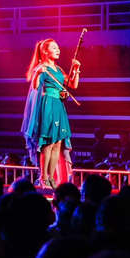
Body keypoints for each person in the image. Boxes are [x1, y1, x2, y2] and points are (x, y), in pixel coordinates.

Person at [21, 38, 81, 189]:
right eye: (54, 48)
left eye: (58, 47)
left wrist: (75, 69)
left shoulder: (58, 69)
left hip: (59, 106)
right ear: (45, 52)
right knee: (47, 144)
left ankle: (51, 177)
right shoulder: (42, 68)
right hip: (48, 105)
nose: (58, 50)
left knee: (57, 143)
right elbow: (35, 86)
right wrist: (37, 74)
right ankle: (44, 177)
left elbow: (72, 84)